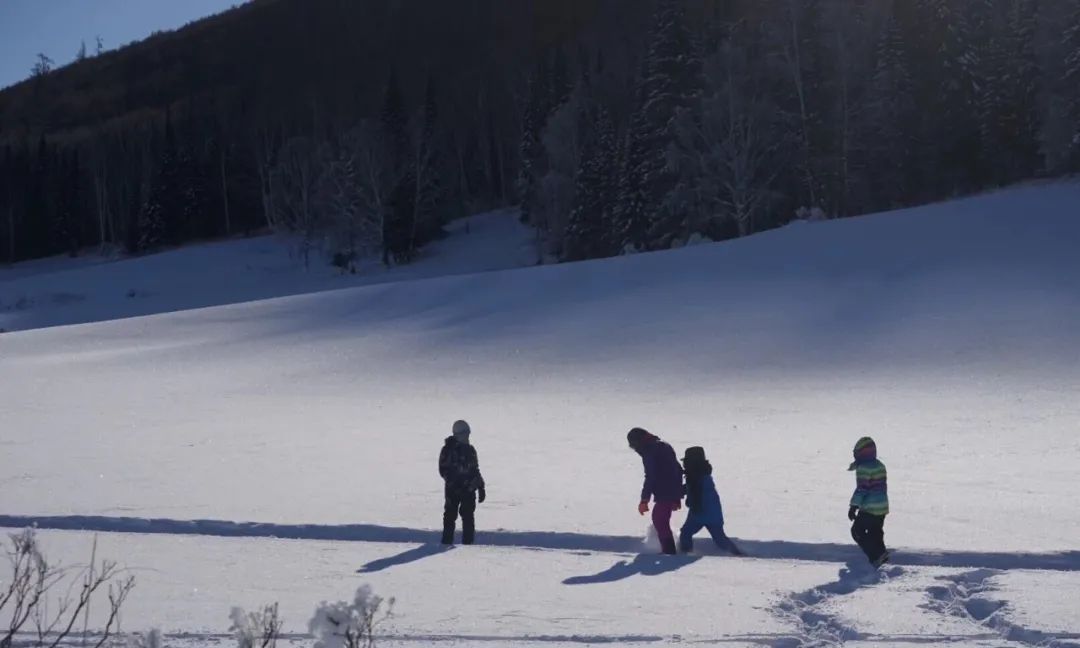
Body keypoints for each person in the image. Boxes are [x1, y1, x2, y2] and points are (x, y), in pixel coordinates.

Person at [679, 446, 744, 556]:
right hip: (713, 512)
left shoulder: (695, 476)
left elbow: (695, 493)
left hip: (699, 512)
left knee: (686, 533)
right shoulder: (702, 474)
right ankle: (737, 554)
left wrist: (688, 501)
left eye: (687, 461)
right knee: (719, 538)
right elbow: (692, 489)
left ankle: (685, 554)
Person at [627, 427, 683, 555]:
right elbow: (678, 470)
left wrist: (644, 500)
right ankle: (669, 550)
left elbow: (651, 476)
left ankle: (669, 553)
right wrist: (677, 496)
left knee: (659, 519)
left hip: (665, 491)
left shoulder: (649, 450)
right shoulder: (664, 445)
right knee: (660, 519)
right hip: (670, 490)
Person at [439, 420, 486, 545]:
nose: (467, 437)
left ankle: (468, 545)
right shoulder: (448, 450)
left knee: (468, 518)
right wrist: (455, 483)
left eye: (468, 434)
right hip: (453, 491)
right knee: (450, 516)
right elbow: (443, 470)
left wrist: (480, 486)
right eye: (465, 434)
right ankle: (446, 543)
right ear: (458, 434)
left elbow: (475, 469)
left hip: (468, 491)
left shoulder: (471, 450)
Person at [848, 436, 890, 567]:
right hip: (882, 508)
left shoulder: (864, 468)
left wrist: (853, 506)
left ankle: (874, 557)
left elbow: (862, 488)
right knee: (875, 532)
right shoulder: (880, 465)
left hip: (869, 508)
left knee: (857, 531)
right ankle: (882, 554)